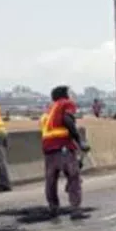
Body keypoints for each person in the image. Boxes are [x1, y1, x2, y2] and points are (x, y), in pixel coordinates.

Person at [40, 86, 89, 220]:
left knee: (51, 179)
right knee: (73, 177)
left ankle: (53, 208)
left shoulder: (50, 109)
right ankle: (76, 210)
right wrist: (80, 141)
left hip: (48, 148)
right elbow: (67, 120)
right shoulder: (66, 104)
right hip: (63, 146)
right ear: (65, 95)